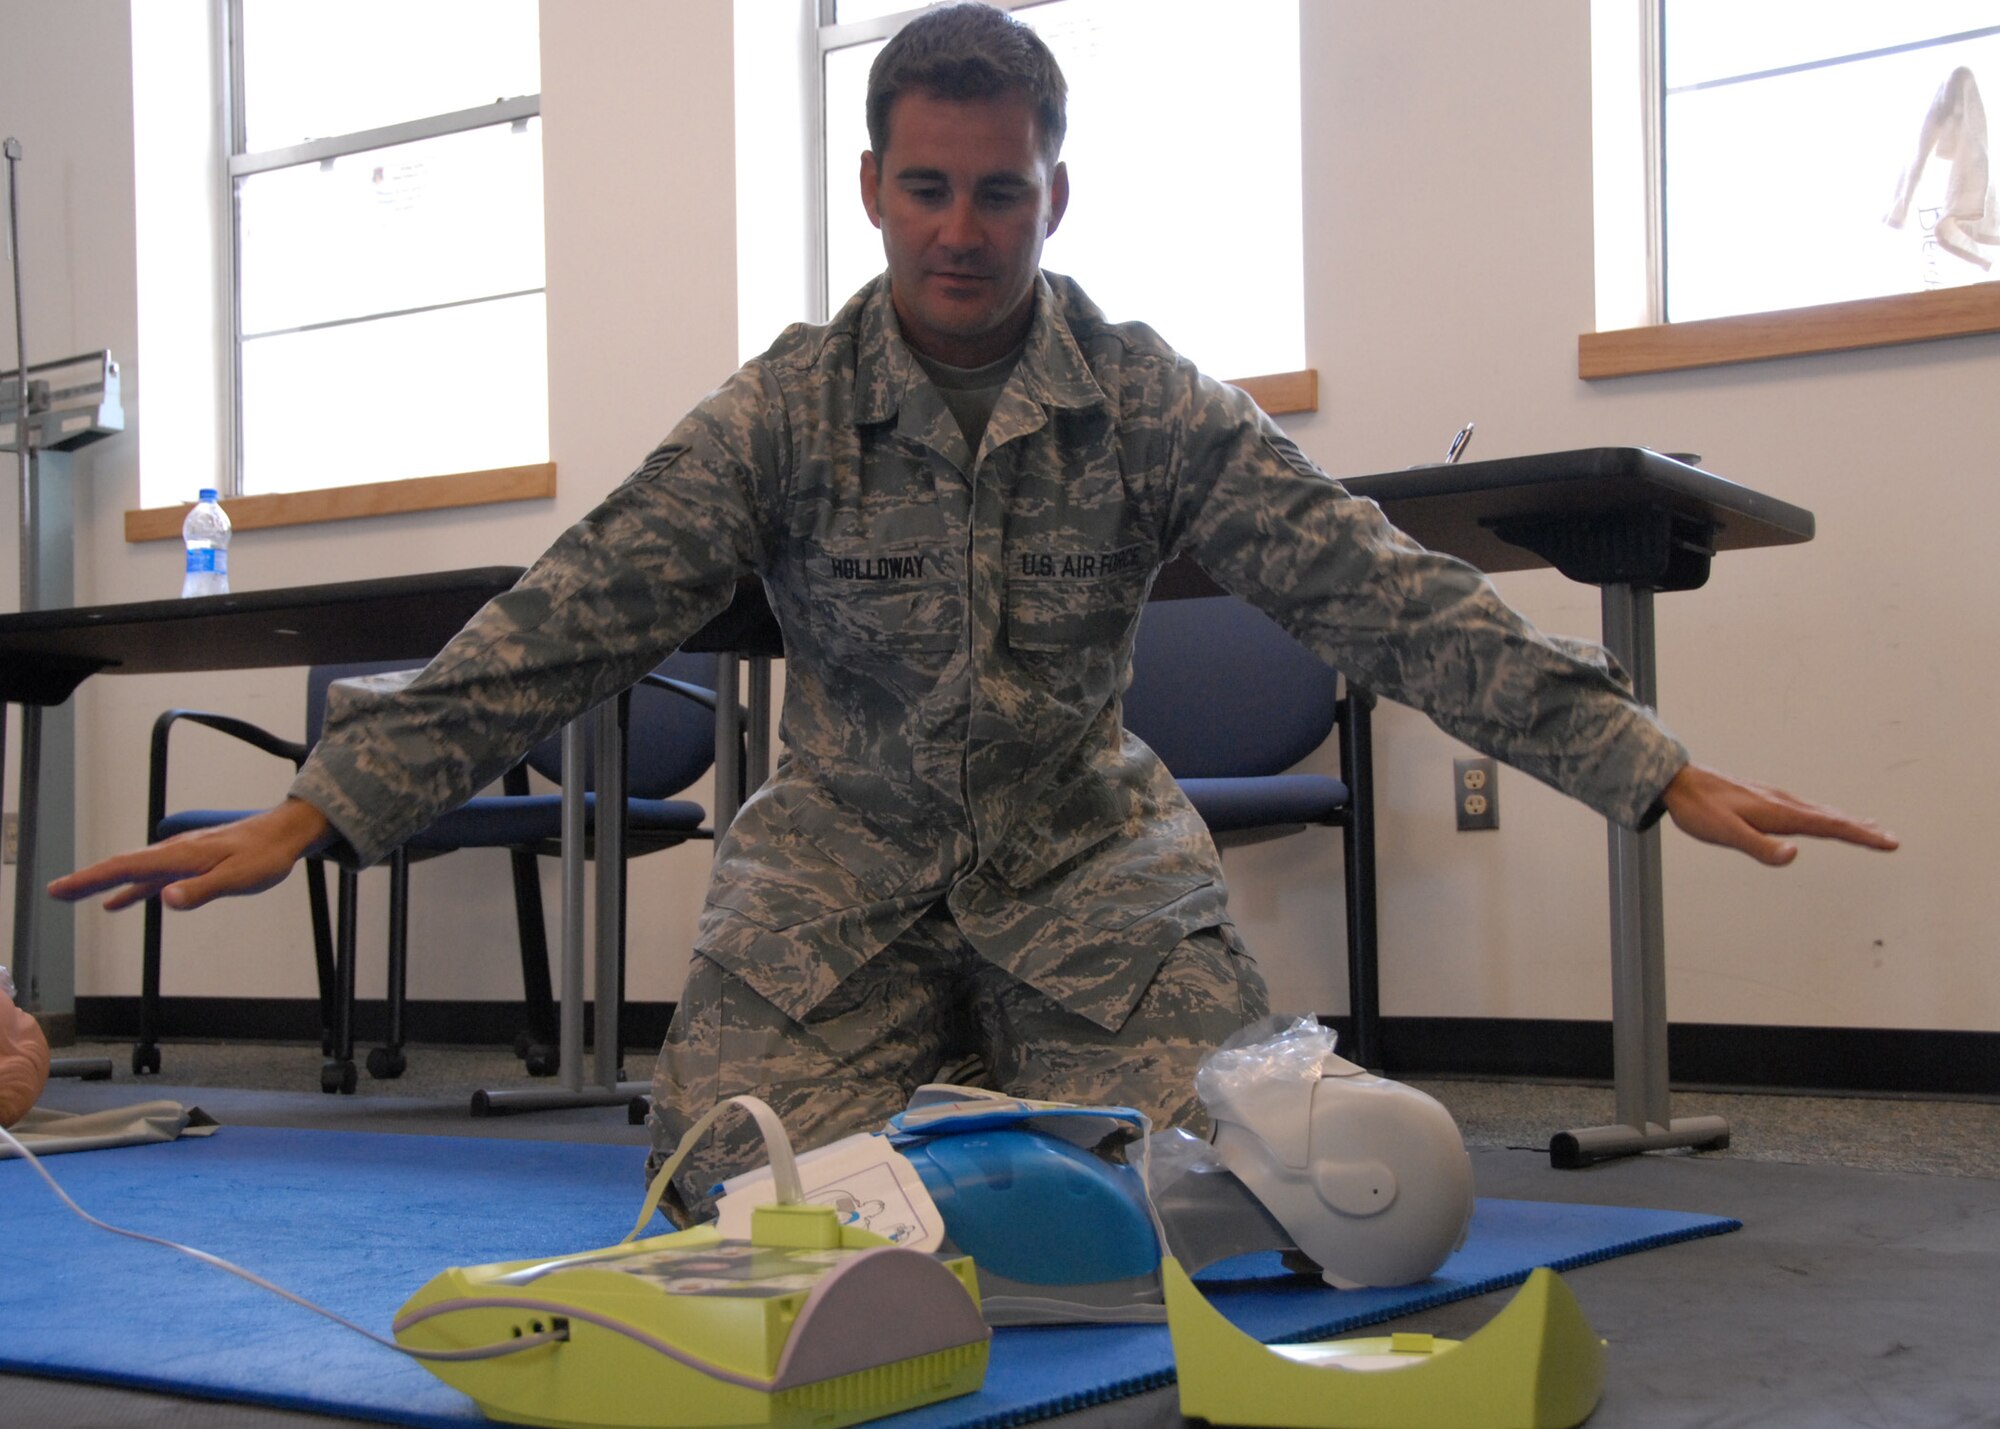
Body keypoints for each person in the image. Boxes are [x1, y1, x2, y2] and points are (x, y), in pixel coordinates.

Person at [51, 3, 1894, 1217]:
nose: (960, 228)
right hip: (835, 878)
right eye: (925, 188)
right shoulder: (782, 411)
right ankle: (958, 1130)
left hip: (1089, 870)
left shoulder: (1148, 397)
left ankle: (996, 1134)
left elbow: (1379, 590)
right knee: (716, 1205)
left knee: (1254, 1196)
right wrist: (327, 801)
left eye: (998, 192)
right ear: (872, 187)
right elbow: (573, 609)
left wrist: (1644, 760)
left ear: (1052, 193)